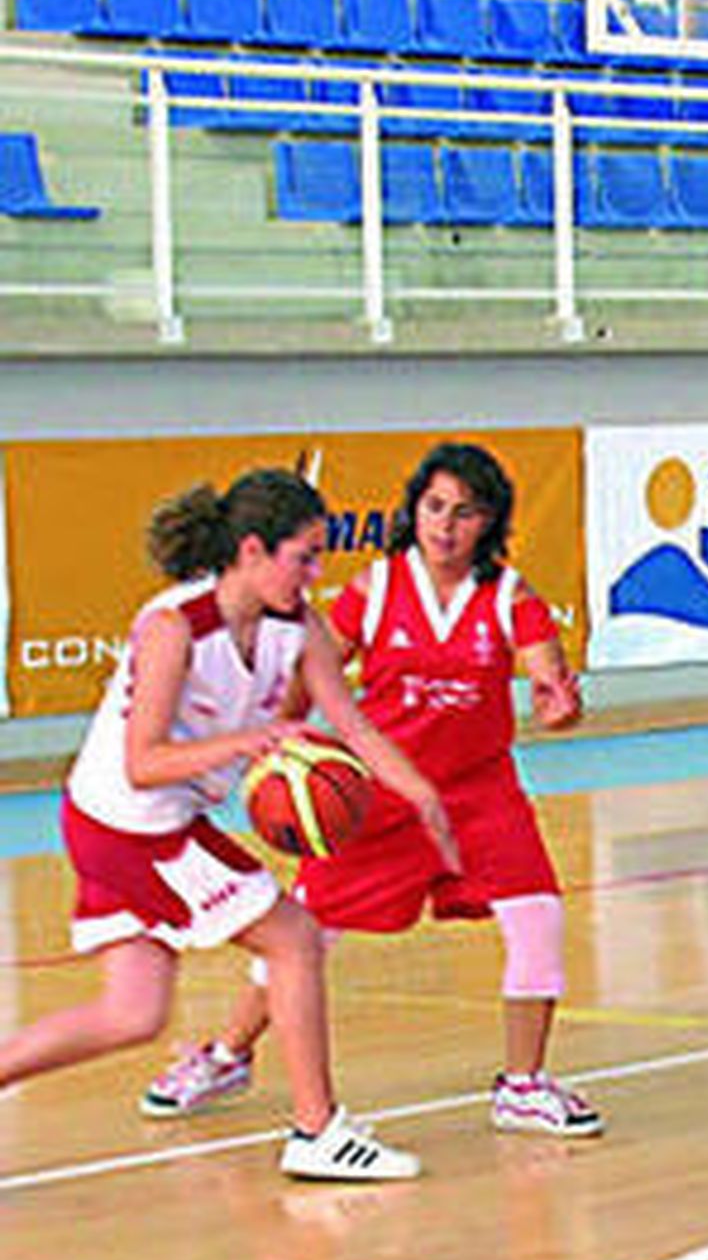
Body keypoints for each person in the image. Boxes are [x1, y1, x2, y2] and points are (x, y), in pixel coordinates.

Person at [141, 443, 603, 1134]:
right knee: (304, 935)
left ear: (490, 522)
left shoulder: (512, 598)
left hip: (480, 794)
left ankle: (523, 1084)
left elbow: (550, 684)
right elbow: (311, 674)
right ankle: (227, 1055)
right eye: (434, 507)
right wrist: (280, 744)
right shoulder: (376, 589)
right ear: (414, 511)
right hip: (377, 795)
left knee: (537, 916)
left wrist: (558, 705)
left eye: (465, 513)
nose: (445, 526)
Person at [0, 469, 449, 1180]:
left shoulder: (296, 627)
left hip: (146, 821)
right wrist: (241, 745)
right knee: (295, 936)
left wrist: (421, 793)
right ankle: (317, 1131)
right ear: (251, 551)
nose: (315, 572)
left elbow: (353, 724)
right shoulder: (174, 627)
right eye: (303, 556)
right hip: (129, 822)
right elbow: (143, 761)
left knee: (133, 1013)